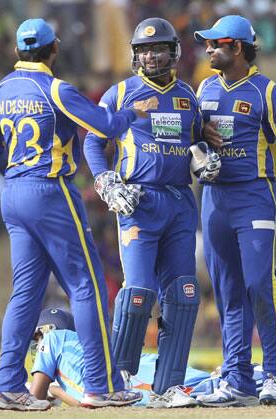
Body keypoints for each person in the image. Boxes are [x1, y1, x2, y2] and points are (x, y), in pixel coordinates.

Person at [0, 18, 147, 411]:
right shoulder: (56, 89)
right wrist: (133, 113)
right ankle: (101, 386)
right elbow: (104, 125)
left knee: (26, 293)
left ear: (18, 51)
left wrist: (17, 173)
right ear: (54, 50)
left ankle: (5, 385)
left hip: (13, 193)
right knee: (87, 286)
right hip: (51, 191)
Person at [83, 17, 219, 409]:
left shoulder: (188, 97)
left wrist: (203, 159)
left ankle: (168, 386)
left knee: (184, 294)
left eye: (158, 49)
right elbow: (94, 142)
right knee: (139, 290)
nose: (151, 56)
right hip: (138, 202)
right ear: (134, 56)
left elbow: (194, 143)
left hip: (179, 203)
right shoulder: (120, 93)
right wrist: (106, 181)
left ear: (174, 53)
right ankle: (117, 379)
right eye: (144, 50)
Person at [194, 15, 276, 406]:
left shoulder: (267, 92)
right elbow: (191, 139)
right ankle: (237, 378)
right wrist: (197, 144)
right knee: (227, 292)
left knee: (260, 283)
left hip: (254, 196)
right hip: (213, 200)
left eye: (215, 45)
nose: (207, 50)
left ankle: (275, 375)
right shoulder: (204, 87)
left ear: (236, 47)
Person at [29, 308, 276, 407]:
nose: (35, 344)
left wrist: (49, 394)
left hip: (143, 383)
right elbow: (88, 403)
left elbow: (36, 394)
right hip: (142, 376)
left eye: (37, 335)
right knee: (222, 392)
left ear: (48, 329)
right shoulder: (72, 354)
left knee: (216, 388)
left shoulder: (54, 341)